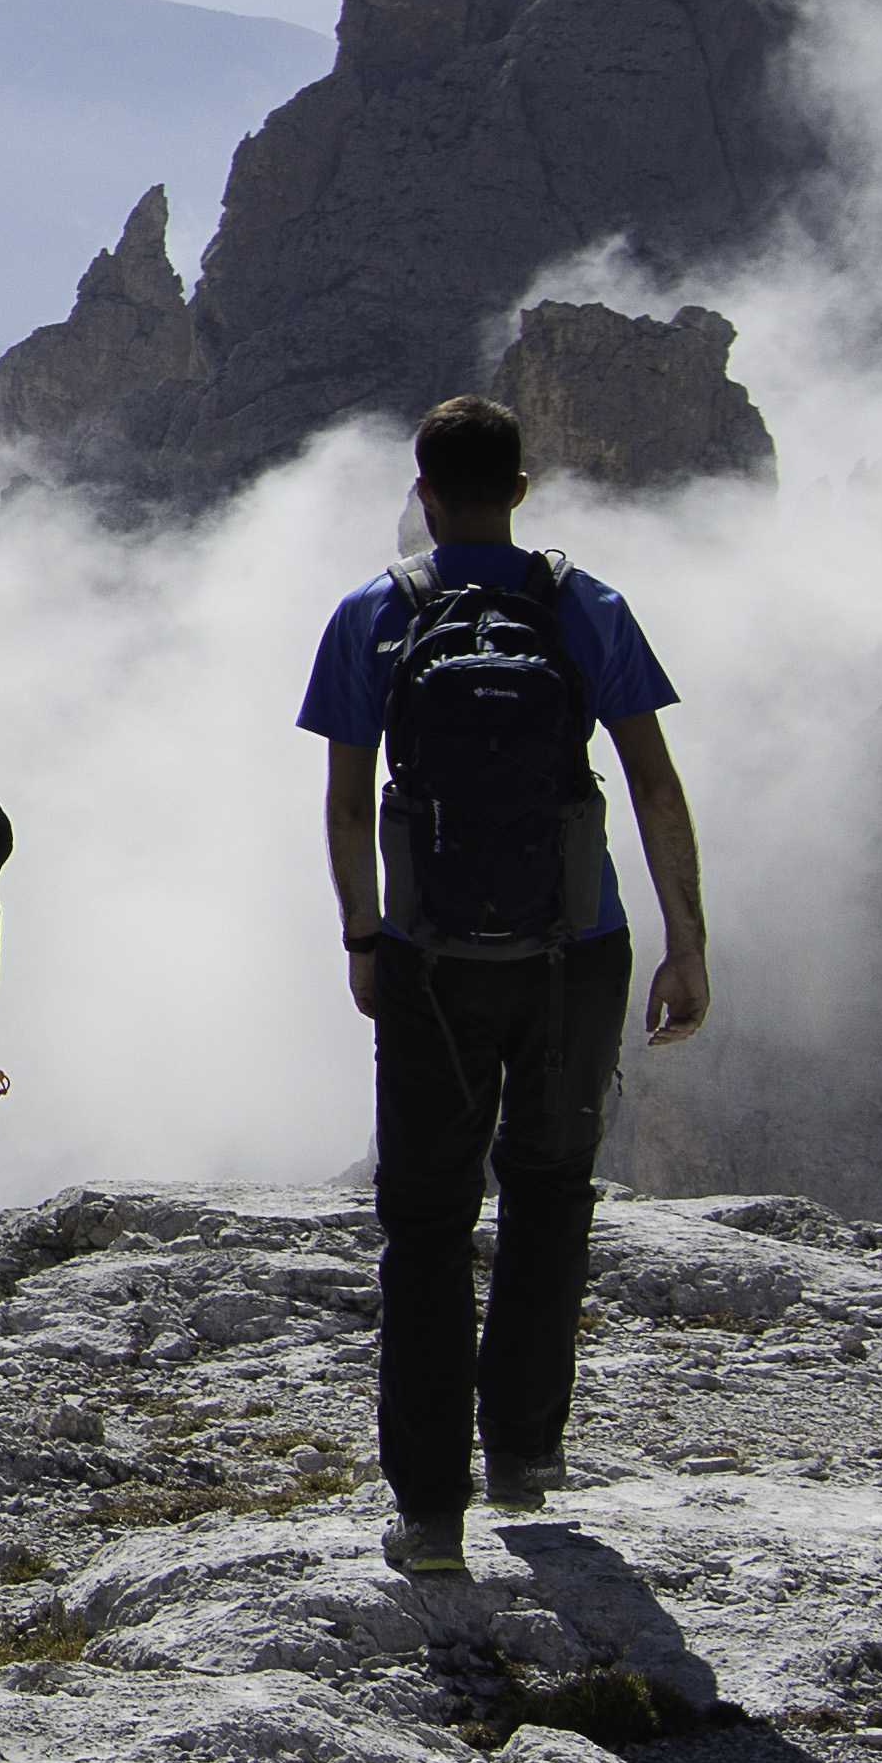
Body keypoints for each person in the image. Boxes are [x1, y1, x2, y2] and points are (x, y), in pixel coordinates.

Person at [302, 395, 711, 1585]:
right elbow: (652, 782)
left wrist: (365, 937)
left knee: (425, 1224)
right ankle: (526, 1451)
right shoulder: (587, 605)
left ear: (423, 492)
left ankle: (431, 1514)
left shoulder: (375, 611)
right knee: (550, 1191)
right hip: (574, 950)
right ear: (521, 491)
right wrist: (685, 941)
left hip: (429, 957)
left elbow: (343, 797)